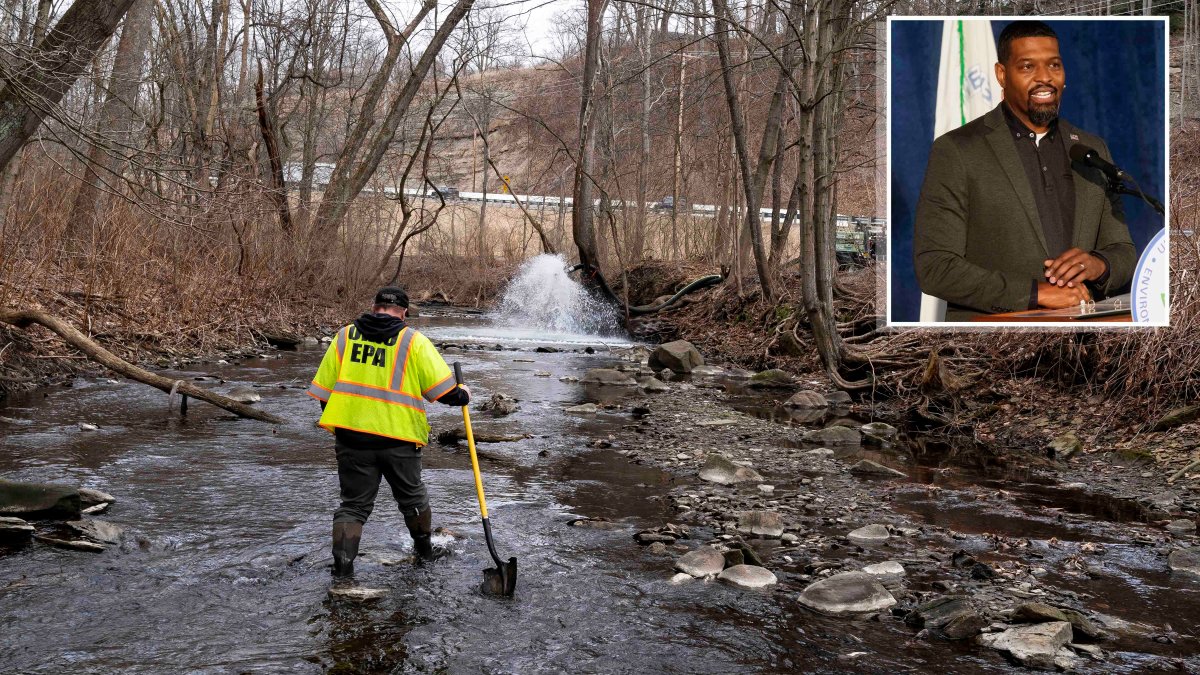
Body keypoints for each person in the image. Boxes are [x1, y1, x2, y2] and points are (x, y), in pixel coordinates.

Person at [913, 20, 1136, 321]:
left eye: (1054, 65)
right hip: (992, 343)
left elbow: (1123, 250)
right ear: (1001, 75)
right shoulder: (956, 150)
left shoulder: (1091, 149)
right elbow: (936, 267)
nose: (1045, 78)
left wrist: (1099, 265)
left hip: (1090, 337)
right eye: (1028, 67)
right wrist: (1036, 293)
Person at [307, 286, 469, 577]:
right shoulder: (413, 341)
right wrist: (463, 395)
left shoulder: (344, 336)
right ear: (404, 312)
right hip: (399, 438)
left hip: (352, 437)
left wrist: (343, 428)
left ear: (374, 306)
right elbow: (444, 393)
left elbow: (323, 392)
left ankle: (343, 571)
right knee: (413, 500)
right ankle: (423, 553)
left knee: (353, 507)